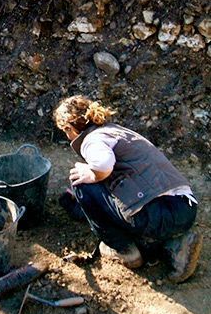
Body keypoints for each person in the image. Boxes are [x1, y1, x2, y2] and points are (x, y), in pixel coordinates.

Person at [53, 95, 202, 283]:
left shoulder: (93, 140)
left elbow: (104, 165)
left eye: (65, 131)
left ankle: (124, 250)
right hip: (185, 209)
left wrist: (91, 174)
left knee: (81, 183)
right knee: (128, 206)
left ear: (70, 128)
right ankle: (177, 245)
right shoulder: (116, 131)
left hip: (156, 216)